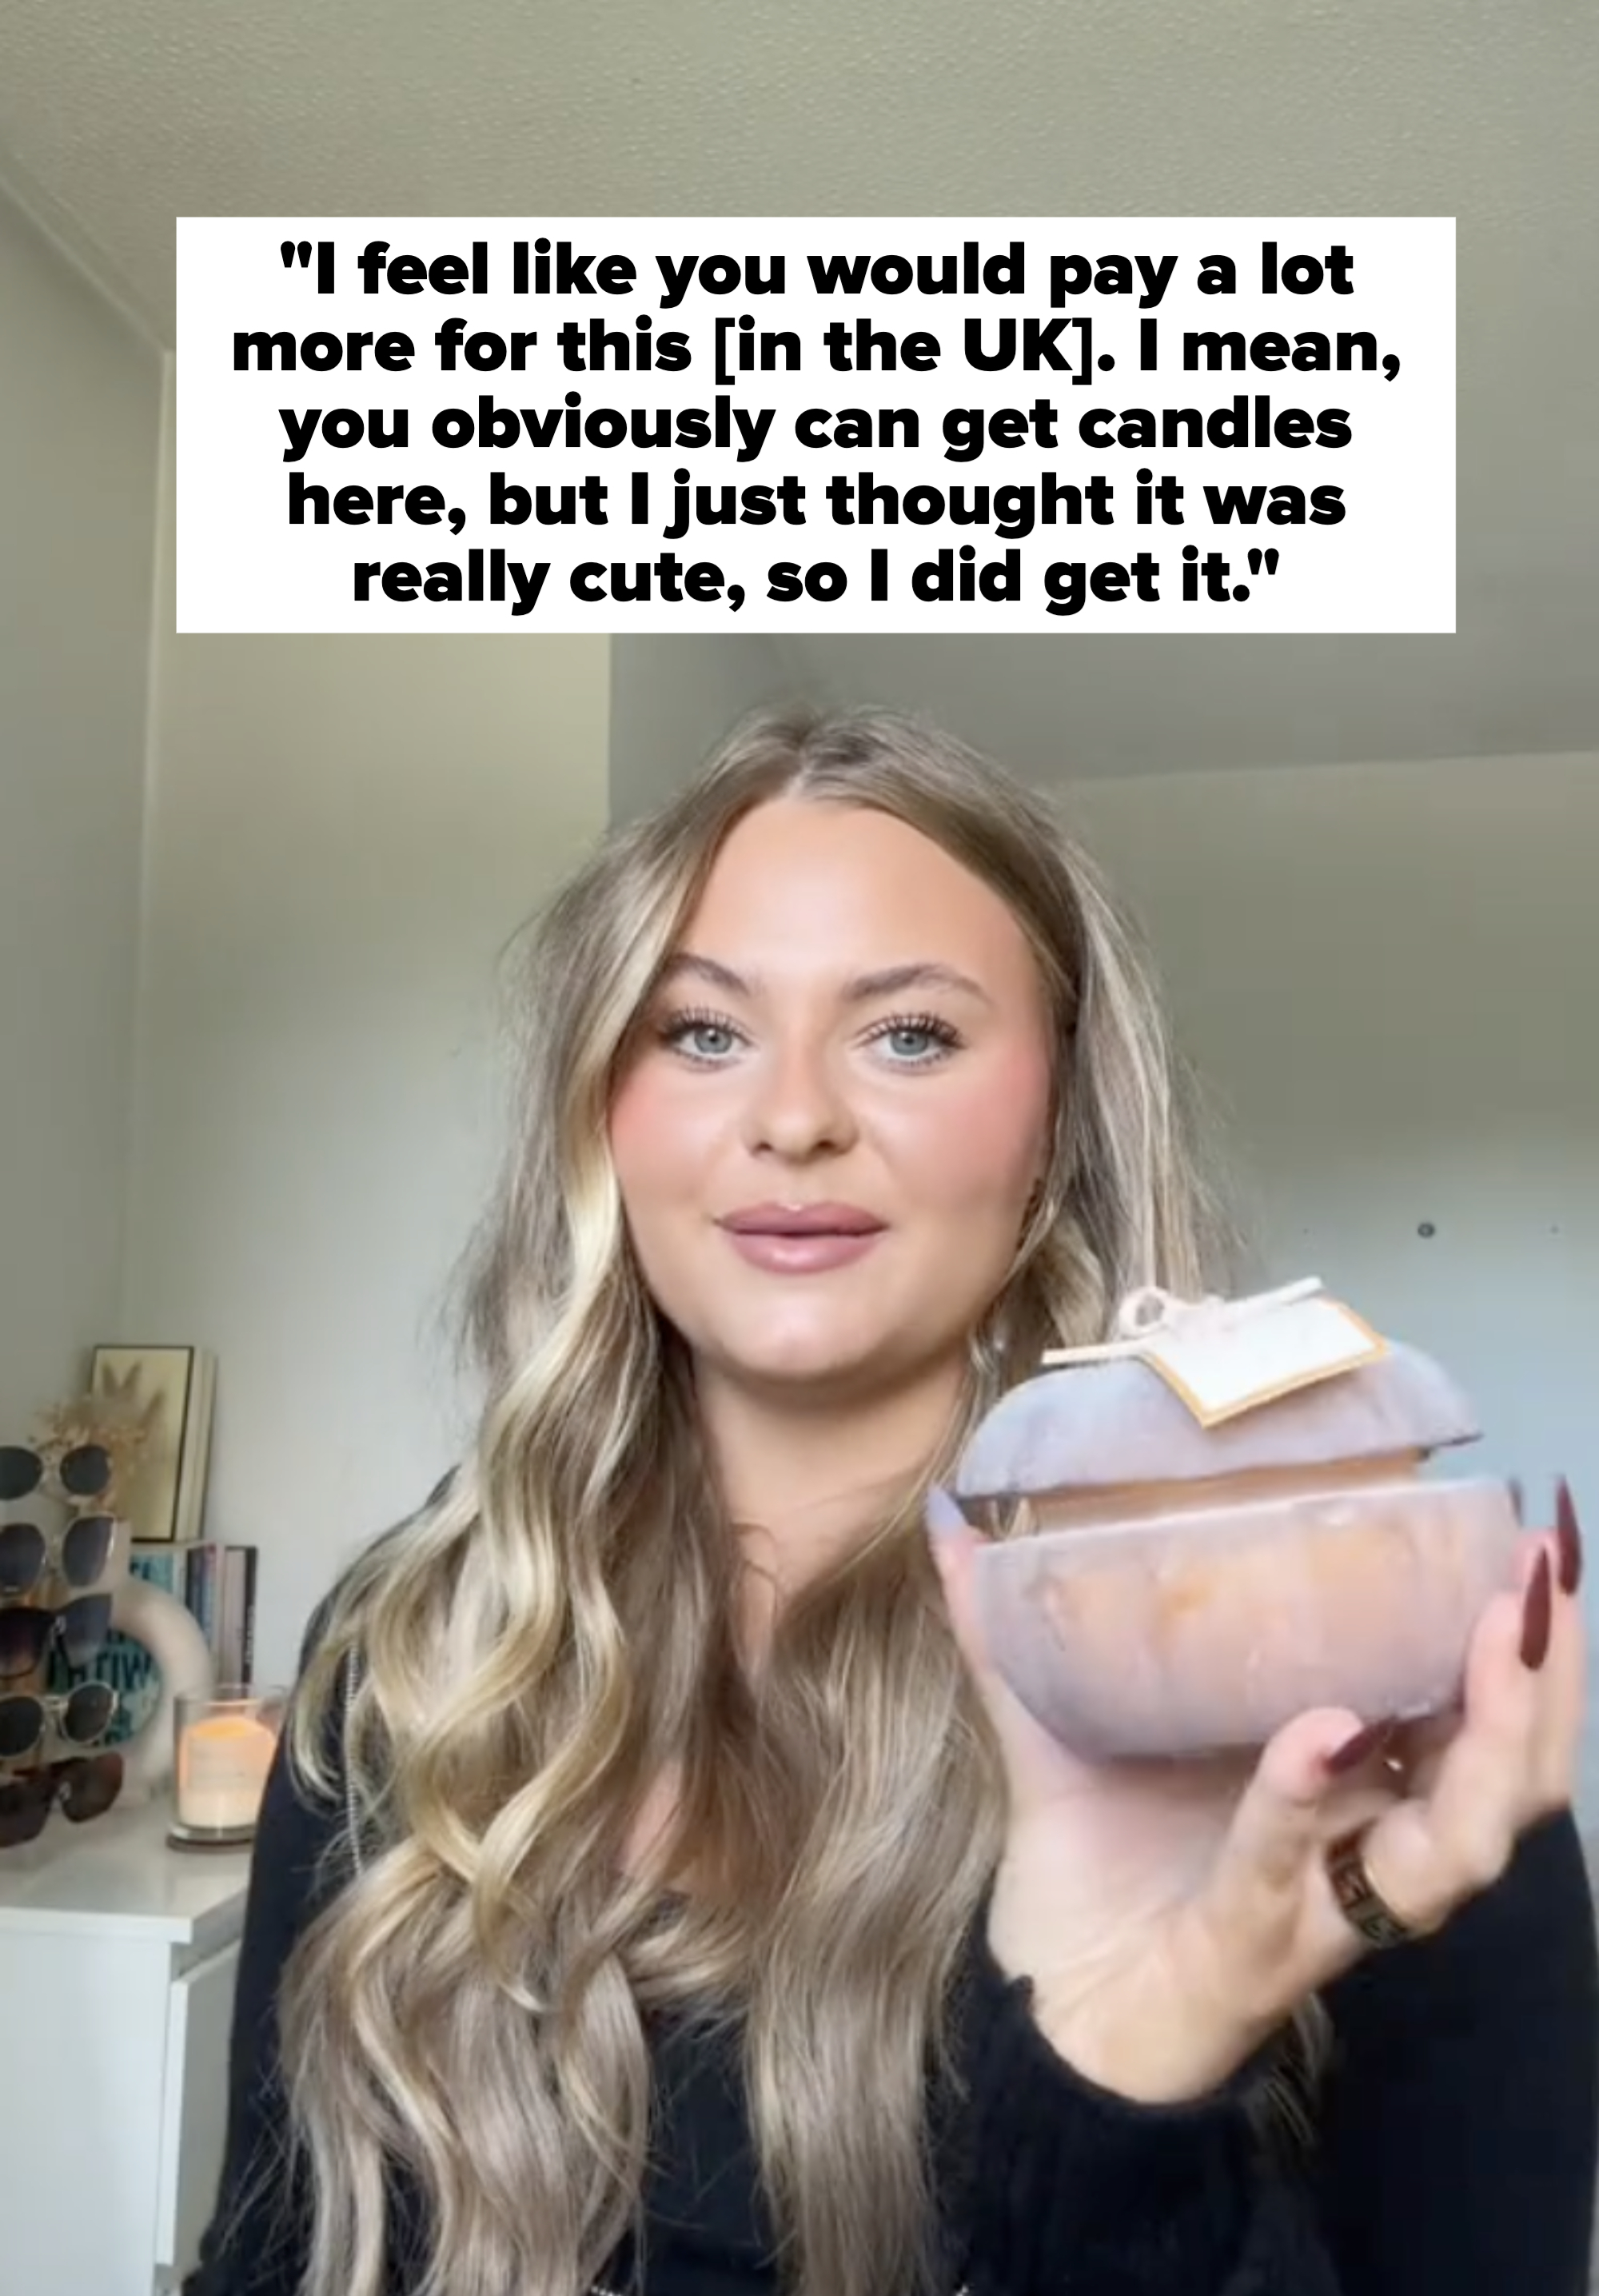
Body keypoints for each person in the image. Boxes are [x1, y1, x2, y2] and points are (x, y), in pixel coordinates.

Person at [188, 707, 1597, 2296]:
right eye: (701, 1030)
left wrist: (1130, 2074)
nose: (793, 1117)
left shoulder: (1360, 1728)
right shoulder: (424, 1642)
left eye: (908, 1031)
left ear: (1057, 1123)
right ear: (603, 1110)